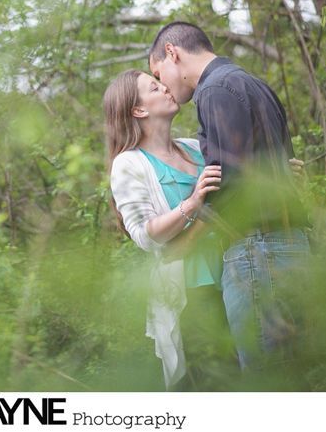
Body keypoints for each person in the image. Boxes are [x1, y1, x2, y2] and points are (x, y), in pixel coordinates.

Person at [147, 21, 310, 371]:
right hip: (292, 245)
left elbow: (233, 186)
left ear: (172, 54)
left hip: (257, 253)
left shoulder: (214, 90)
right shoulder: (254, 83)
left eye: (159, 75)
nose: (165, 88)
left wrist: (185, 242)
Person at [103, 68, 229, 390]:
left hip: (235, 275)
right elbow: (145, 235)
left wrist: (277, 172)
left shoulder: (194, 147)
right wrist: (194, 202)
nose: (166, 89)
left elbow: (237, 184)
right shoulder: (129, 164)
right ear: (139, 110)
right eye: (155, 87)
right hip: (193, 292)